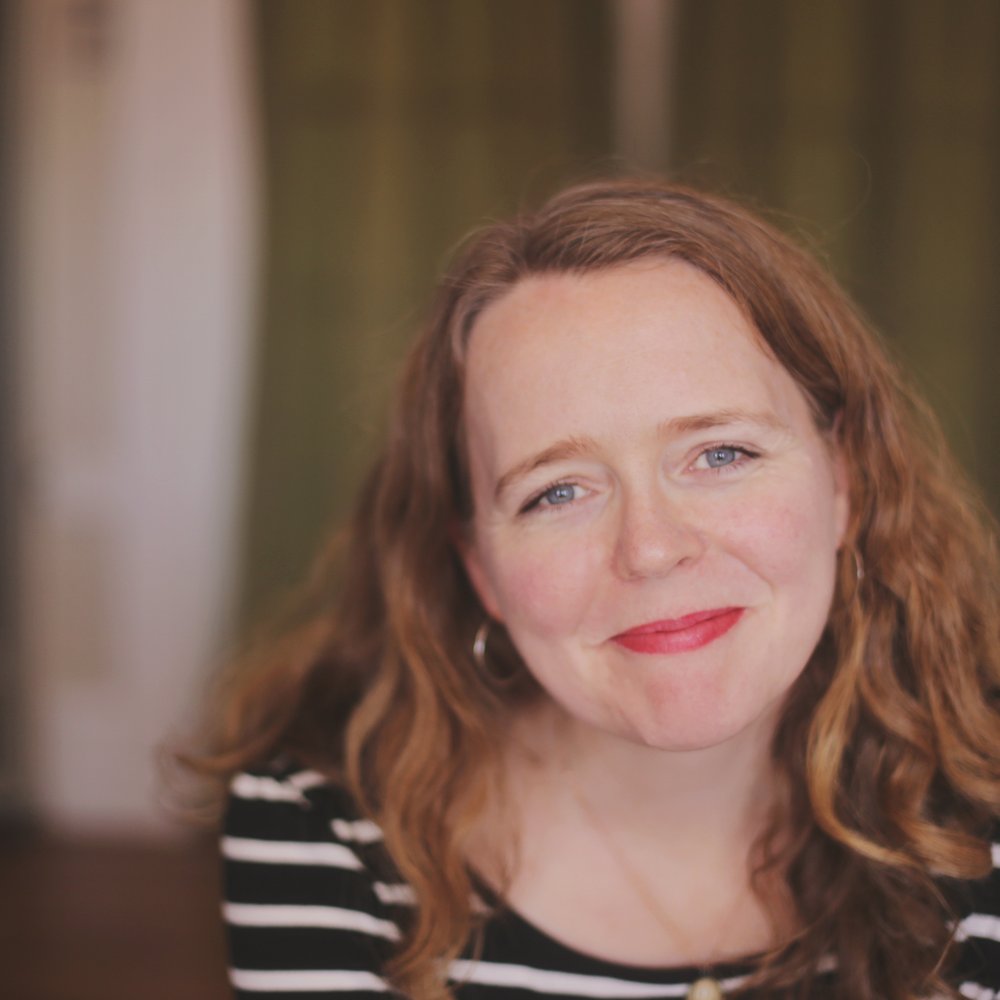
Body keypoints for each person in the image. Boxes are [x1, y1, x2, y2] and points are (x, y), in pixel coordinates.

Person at [202, 179, 1000, 1000]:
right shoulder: (324, 834)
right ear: (479, 567)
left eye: (721, 454)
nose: (650, 548)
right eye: (557, 492)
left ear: (844, 483)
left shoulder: (984, 807)